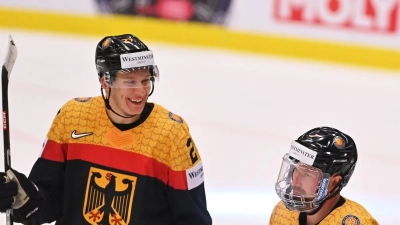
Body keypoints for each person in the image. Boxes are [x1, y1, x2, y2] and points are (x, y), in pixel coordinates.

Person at [0, 34, 212, 225]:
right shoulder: (73, 117)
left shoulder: (172, 135)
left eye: (146, 80)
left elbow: (193, 220)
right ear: (105, 81)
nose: (141, 91)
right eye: (130, 82)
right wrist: (23, 199)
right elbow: (49, 200)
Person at [269, 127, 378, 225]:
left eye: (307, 174)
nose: (295, 182)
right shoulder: (282, 213)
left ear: (334, 182)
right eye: (295, 170)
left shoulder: (357, 222)